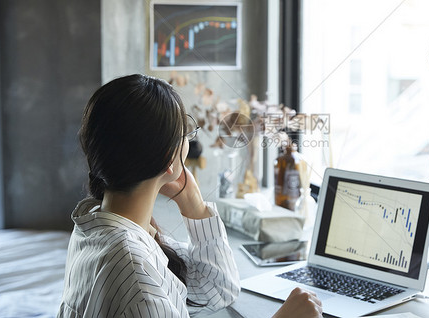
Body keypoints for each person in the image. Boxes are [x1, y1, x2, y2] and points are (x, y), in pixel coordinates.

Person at [57, 74, 322, 318]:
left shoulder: (99, 225)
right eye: (185, 134)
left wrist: (193, 203)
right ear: (166, 160)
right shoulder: (138, 278)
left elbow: (216, 290)